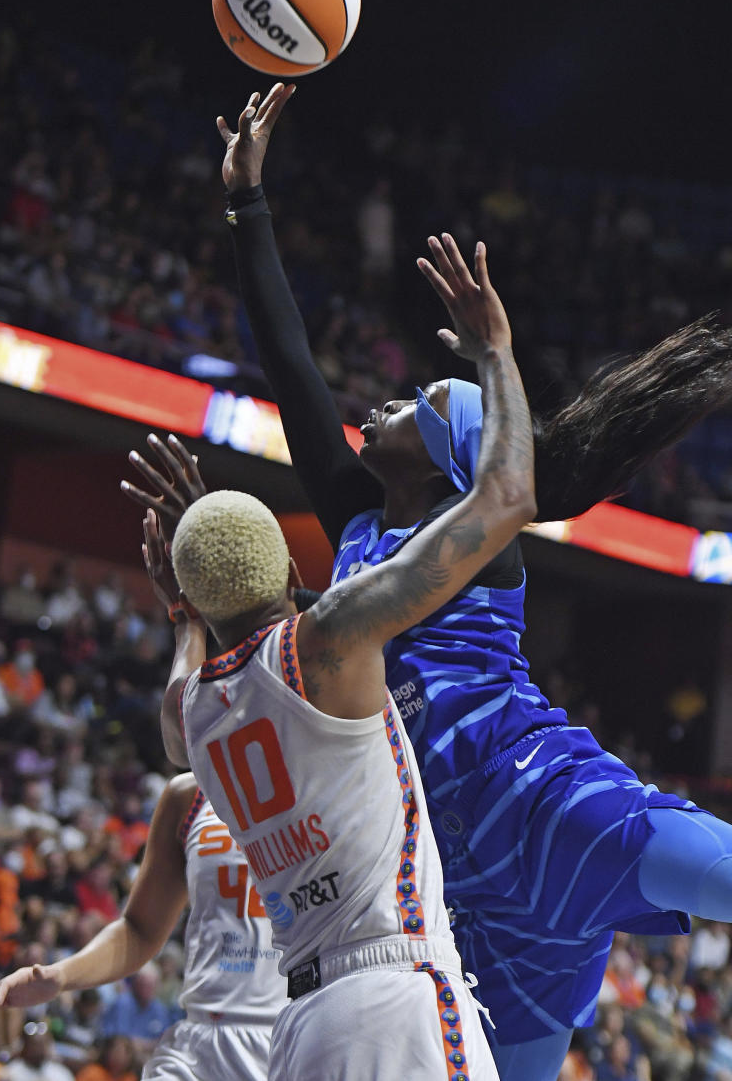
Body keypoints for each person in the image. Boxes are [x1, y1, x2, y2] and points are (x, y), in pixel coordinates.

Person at [126, 83, 732, 1081]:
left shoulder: (478, 539)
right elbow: (291, 366)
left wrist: (495, 352)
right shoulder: (357, 523)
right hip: (464, 889)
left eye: (402, 406)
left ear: (445, 453)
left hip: (548, 803)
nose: (372, 408)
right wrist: (247, 205)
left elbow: (503, 476)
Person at [140, 229, 537, 1079]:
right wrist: (497, 351)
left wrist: (183, 611)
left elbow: (178, 708)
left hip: (303, 1022)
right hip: (394, 992)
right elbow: (508, 496)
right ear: (293, 570)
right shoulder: (334, 638)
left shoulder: (201, 716)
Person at [0, 772, 286, 1081]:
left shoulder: (322, 775)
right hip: (202, 1036)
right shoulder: (189, 793)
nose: (178, 720)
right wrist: (62, 975)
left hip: (291, 1033)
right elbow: (139, 929)